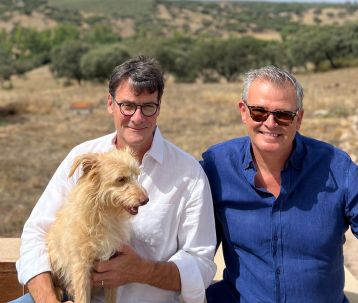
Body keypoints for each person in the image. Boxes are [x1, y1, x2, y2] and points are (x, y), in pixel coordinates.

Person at [14, 55, 216, 303]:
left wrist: (141, 271)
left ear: (159, 108)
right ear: (110, 103)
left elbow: (202, 266)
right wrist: (49, 300)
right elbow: (35, 234)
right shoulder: (83, 160)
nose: (138, 117)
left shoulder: (189, 174)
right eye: (128, 106)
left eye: (148, 107)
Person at [201, 65, 358, 303]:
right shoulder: (217, 167)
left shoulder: (336, 168)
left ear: (299, 119)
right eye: (259, 112)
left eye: (283, 115)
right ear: (243, 111)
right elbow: (192, 246)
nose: (271, 123)